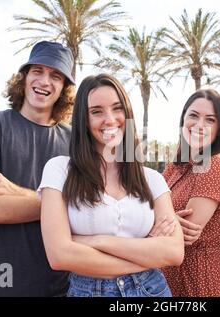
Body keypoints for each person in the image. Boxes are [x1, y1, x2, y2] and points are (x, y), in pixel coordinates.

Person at [38, 74, 184, 297]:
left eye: (117, 109)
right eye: (97, 111)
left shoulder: (152, 179)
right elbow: (59, 256)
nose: (110, 119)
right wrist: (146, 253)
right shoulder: (59, 170)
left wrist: (96, 241)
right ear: (83, 120)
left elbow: (174, 252)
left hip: (151, 290)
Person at [0, 41, 76, 296]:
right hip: (3, 282)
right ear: (23, 77)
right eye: (37, 71)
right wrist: (61, 205)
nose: (45, 81)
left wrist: (12, 191)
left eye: (56, 75)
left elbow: (87, 205)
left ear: (64, 89)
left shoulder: (75, 140)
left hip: (62, 285)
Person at [160, 89, 220, 297]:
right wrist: (161, 221)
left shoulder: (213, 166)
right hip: (168, 279)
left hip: (201, 283)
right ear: (183, 118)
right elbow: (159, 222)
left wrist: (154, 221)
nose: (199, 125)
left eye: (210, 119)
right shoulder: (174, 167)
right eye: (193, 115)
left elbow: (183, 234)